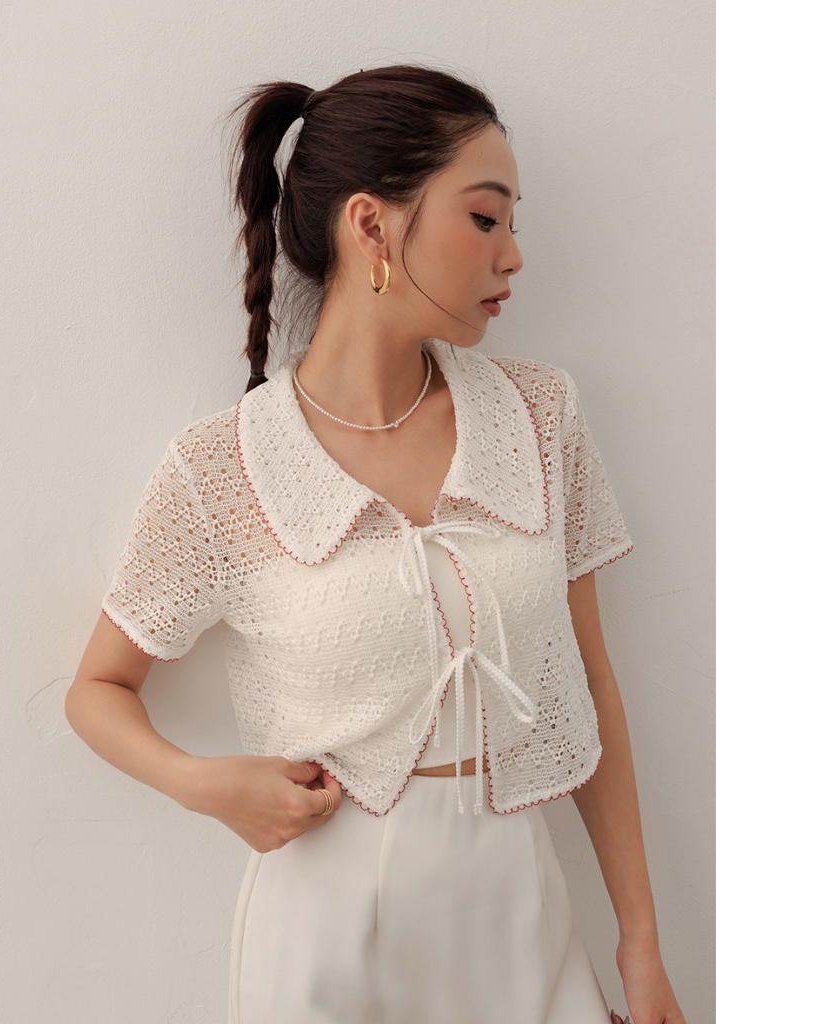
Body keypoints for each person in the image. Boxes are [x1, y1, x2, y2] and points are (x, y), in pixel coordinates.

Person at [65, 65, 686, 1024]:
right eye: (485, 218)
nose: (514, 255)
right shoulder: (223, 468)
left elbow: (592, 683)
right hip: (322, 926)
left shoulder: (538, 416)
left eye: (512, 223)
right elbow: (97, 689)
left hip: (516, 904)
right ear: (371, 226)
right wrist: (207, 785)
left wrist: (640, 946)